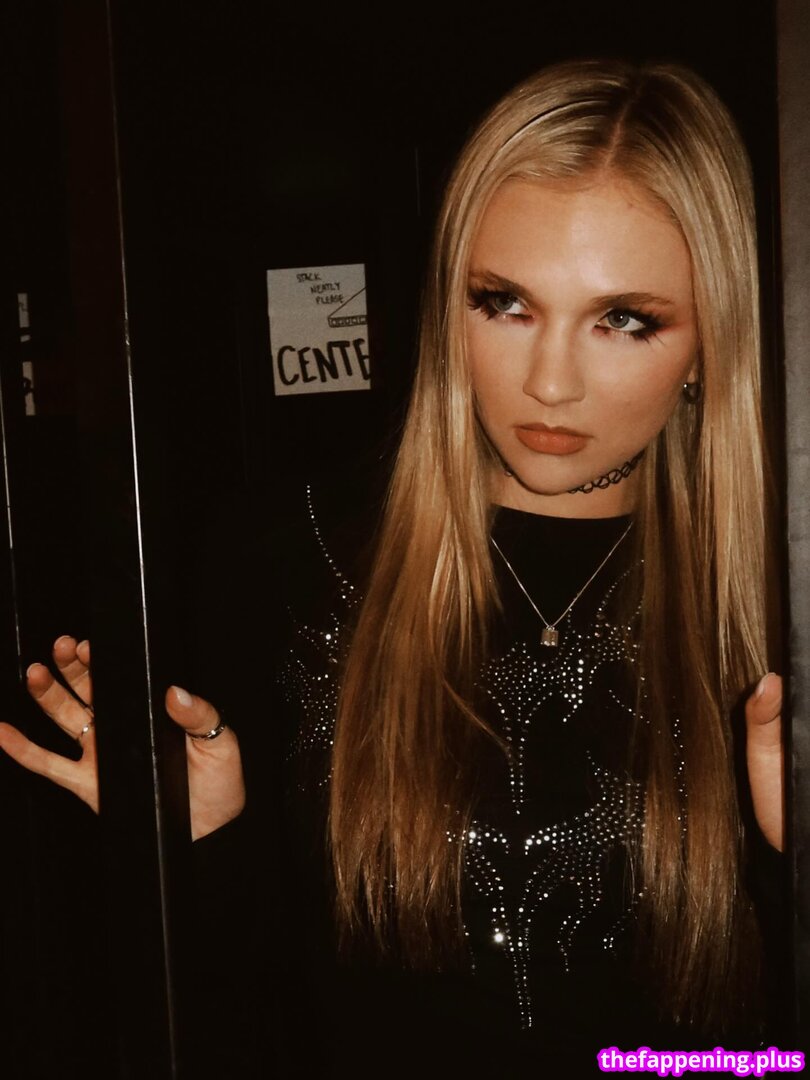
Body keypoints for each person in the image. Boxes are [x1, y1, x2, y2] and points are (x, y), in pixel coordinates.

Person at [0, 58, 786, 1074]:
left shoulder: (776, 602)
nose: (550, 382)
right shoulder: (286, 555)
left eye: (623, 319)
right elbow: (255, 1003)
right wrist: (200, 845)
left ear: (710, 342)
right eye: (505, 303)